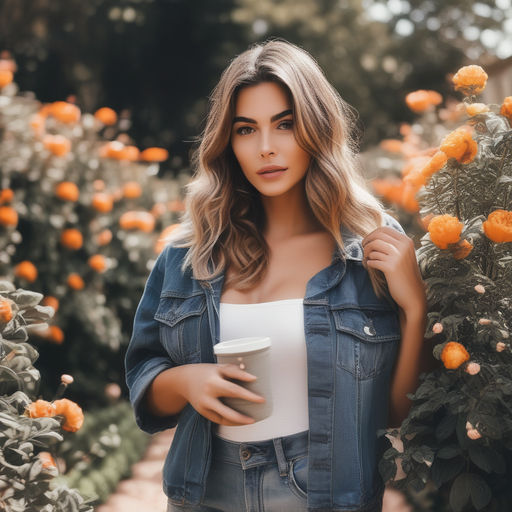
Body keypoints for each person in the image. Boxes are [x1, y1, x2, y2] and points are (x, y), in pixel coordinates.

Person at [125, 38, 428, 512]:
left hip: (325, 494)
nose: (266, 148)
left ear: (316, 127)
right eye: (246, 129)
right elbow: (145, 377)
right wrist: (187, 382)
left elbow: (393, 412)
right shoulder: (189, 254)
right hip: (203, 493)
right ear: (228, 141)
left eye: (284, 124)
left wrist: (414, 306)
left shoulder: (369, 246)